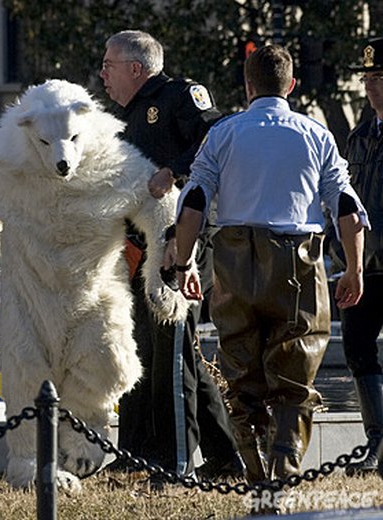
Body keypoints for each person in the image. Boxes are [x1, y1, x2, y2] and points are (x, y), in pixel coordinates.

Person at [175, 44, 368, 486]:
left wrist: (184, 263)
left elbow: (195, 201)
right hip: (296, 261)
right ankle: (285, 465)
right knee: (295, 373)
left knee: (240, 371)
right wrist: (354, 269)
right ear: (292, 85)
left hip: (233, 259)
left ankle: (254, 467)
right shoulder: (316, 134)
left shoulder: (223, 134)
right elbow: (346, 205)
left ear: (247, 86)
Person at [100, 29, 242, 480]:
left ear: (137, 69)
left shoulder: (180, 96)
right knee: (151, 351)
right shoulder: (124, 115)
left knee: (172, 355)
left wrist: (174, 170)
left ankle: (175, 459)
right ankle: (211, 455)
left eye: (110, 65)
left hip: (177, 244)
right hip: (138, 248)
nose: (102, 74)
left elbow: (217, 136)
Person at [336, 36, 383, 476]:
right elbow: (350, 202)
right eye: (367, 77)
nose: (371, 86)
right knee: (357, 351)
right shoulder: (361, 136)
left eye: (379, 77)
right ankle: (377, 444)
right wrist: (345, 259)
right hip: (366, 268)